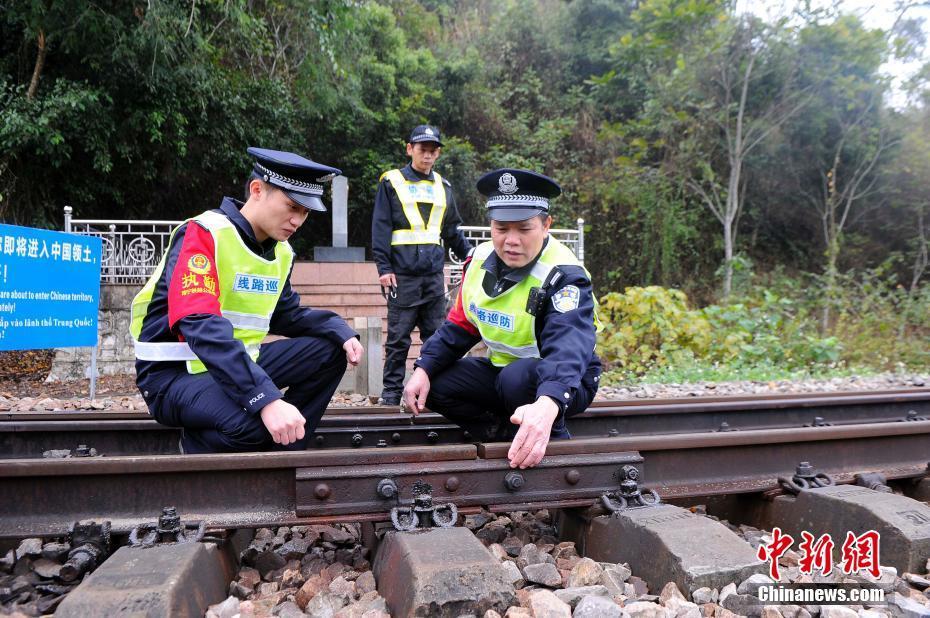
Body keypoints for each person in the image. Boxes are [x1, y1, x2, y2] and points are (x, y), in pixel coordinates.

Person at [130, 147, 364, 454]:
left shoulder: (280, 253)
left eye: (305, 213)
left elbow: (286, 315)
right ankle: (197, 447)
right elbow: (199, 323)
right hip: (173, 376)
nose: (297, 221)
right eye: (292, 206)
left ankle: (285, 451)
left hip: (236, 367)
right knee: (256, 426)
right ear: (257, 190)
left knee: (329, 351)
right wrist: (265, 399)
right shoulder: (205, 233)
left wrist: (339, 330)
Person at [403, 169, 602, 469]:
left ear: (546, 225)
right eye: (501, 228)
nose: (511, 240)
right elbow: (460, 325)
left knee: (516, 378)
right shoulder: (479, 260)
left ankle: (550, 442)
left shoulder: (564, 275)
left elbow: (568, 348)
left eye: (524, 229)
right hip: (506, 373)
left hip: (566, 381)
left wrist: (548, 403)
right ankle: (502, 433)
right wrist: (423, 368)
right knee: (436, 381)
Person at [371, 124, 473, 406]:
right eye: (422, 149)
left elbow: (452, 230)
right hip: (401, 275)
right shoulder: (391, 182)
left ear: (437, 154)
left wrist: (472, 258)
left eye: (432, 150)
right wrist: (383, 268)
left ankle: (436, 391)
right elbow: (381, 227)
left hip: (432, 276)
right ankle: (391, 394)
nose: (427, 155)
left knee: (436, 337)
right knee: (398, 339)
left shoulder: (443, 187)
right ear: (409, 149)